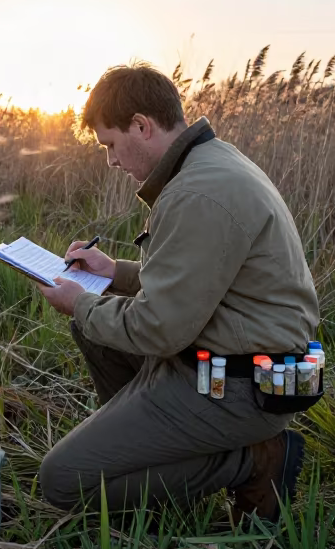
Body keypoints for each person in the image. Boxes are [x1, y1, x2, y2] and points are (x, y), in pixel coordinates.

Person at [36, 62, 319, 520]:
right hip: (239, 363)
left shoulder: (196, 194)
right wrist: (112, 273)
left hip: (245, 385)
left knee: (63, 480)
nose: (110, 160)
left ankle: (254, 462)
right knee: (95, 330)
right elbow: (194, 279)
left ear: (142, 126)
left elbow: (159, 330)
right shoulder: (212, 162)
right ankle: (146, 454)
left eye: (110, 145)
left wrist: (80, 302)